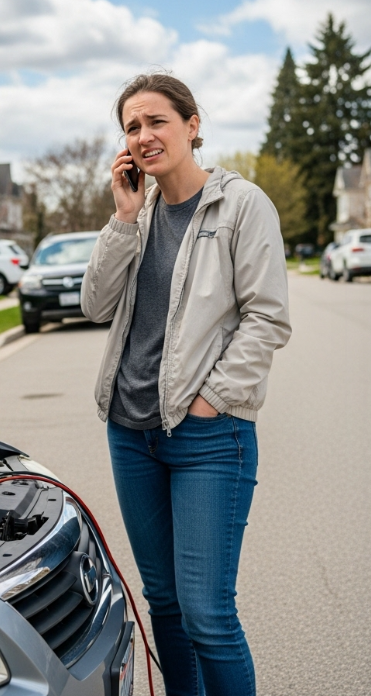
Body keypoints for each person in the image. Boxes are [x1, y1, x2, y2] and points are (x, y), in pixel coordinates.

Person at [81, 73, 291, 696]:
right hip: (131, 433)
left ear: (192, 125)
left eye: (156, 122)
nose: (144, 137)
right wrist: (122, 218)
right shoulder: (136, 214)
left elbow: (267, 316)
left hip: (208, 436)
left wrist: (211, 400)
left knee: (207, 614)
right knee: (164, 604)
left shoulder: (241, 204)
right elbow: (95, 304)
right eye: (131, 127)